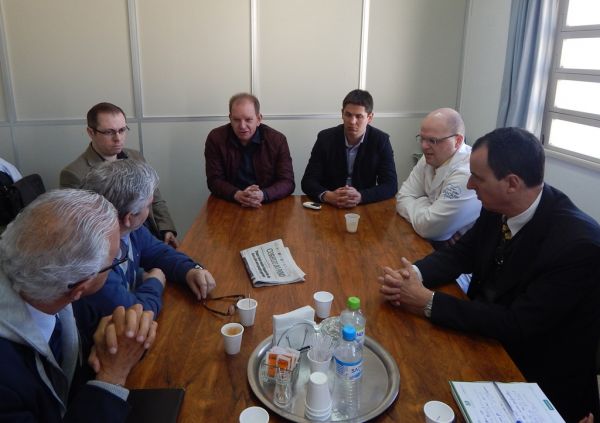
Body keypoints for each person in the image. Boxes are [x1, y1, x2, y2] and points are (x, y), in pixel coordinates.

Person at [379, 127, 600, 422]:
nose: (470, 184)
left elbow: (517, 323)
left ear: (512, 183)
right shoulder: (498, 206)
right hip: (484, 338)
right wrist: (412, 275)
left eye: (478, 178)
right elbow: (461, 254)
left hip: (532, 380)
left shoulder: (578, 246)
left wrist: (428, 301)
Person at [0, 189, 157, 422]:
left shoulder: (52, 285)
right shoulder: (6, 383)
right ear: (81, 287)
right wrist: (112, 376)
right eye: (115, 260)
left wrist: (112, 342)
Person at [80, 159, 216, 317]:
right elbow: (135, 316)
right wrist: (155, 282)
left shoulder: (130, 229)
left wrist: (190, 270)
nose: (150, 210)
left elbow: (159, 253)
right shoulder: (93, 264)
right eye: (148, 205)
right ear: (129, 217)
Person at [60, 102, 179, 248]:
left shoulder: (135, 156)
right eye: (109, 132)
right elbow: (83, 228)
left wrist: (166, 228)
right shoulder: (74, 174)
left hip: (151, 234)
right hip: (117, 246)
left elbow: (155, 197)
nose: (118, 138)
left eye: (122, 130)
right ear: (91, 132)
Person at [396, 108, 481, 248]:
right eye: (422, 138)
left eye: (433, 140)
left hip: (462, 254)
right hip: (430, 244)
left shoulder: (468, 172)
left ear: (457, 141)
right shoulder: (429, 158)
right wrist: (430, 211)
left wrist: (421, 202)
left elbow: (430, 228)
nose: (424, 146)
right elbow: (402, 197)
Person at [301, 89, 398, 207]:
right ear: (342, 113)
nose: (352, 121)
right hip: (330, 205)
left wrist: (361, 196)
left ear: (370, 117)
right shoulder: (325, 138)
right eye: (348, 115)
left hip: (364, 205)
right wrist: (328, 196)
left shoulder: (381, 140)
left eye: (359, 116)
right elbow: (308, 181)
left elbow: (391, 185)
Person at [204, 93, 295, 207]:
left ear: (258, 119)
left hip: (267, 202)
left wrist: (263, 195)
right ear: (230, 118)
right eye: (236, 120)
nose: (242, 126)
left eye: (248, 119)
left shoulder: (277, 140)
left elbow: (287, 182)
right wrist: (237, 194)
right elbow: (214, 180)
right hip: (230, 201)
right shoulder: (216, 138)